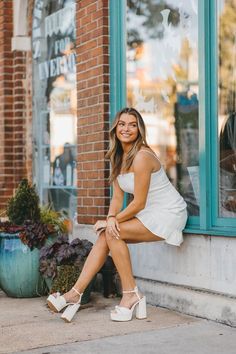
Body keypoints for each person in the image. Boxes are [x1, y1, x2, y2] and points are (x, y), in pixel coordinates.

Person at [47, 107, 188, 323]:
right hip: (149, 211)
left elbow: (139, 202)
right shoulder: (117, 157)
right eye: (122, 124)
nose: (126, 129)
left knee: (111, 232)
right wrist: (111, 218)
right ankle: (77, 294)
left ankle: (126, 295)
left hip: (168, 212)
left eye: (133, 125)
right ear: (115, 128)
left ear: (139, 130)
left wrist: (111, 220)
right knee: (108, 234)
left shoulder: (142, 156)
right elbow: (116, 198)